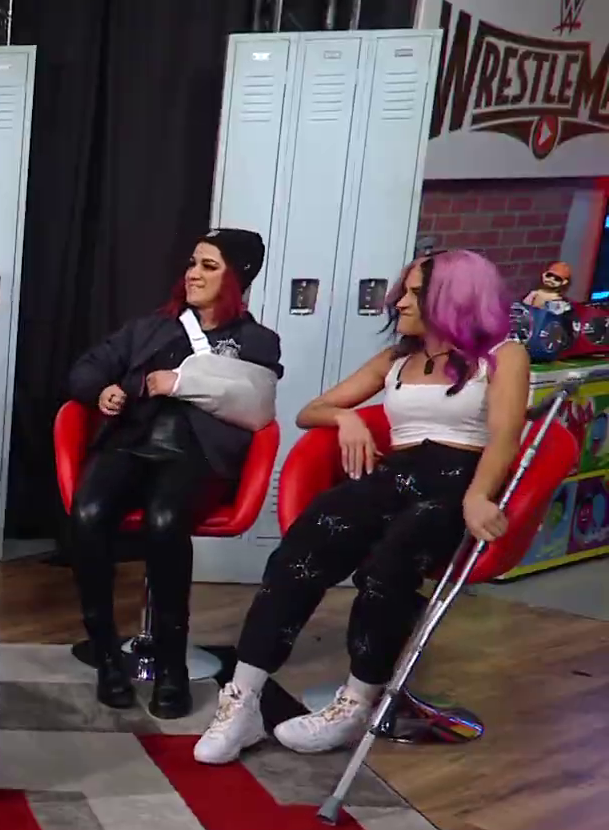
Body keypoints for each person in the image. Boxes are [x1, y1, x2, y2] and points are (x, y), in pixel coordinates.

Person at [195, 249, 529, 763]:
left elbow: (505, 435)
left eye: (415, 293)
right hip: (396, 474)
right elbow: (312, 411)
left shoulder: (503, 356)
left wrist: (479, 495)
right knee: (301, 548)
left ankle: (355, 703)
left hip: (455, 484)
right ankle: (243, 701)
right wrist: (347, 419)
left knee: (388, 567)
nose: (399, 302)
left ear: (454, 299)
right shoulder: (396, 360)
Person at [65, 229, 283, 718]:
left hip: (197, 455)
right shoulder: (149, 328)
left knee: (165, 521)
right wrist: (101, 391)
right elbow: (85, 369)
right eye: (192, 263)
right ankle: (107, 659)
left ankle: (171, 669)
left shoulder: (257, 341)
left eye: (209, 266)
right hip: (131, 445)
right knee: (88, 513)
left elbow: (255, 406)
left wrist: (183, 383)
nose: (193, 274)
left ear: (238, 276)